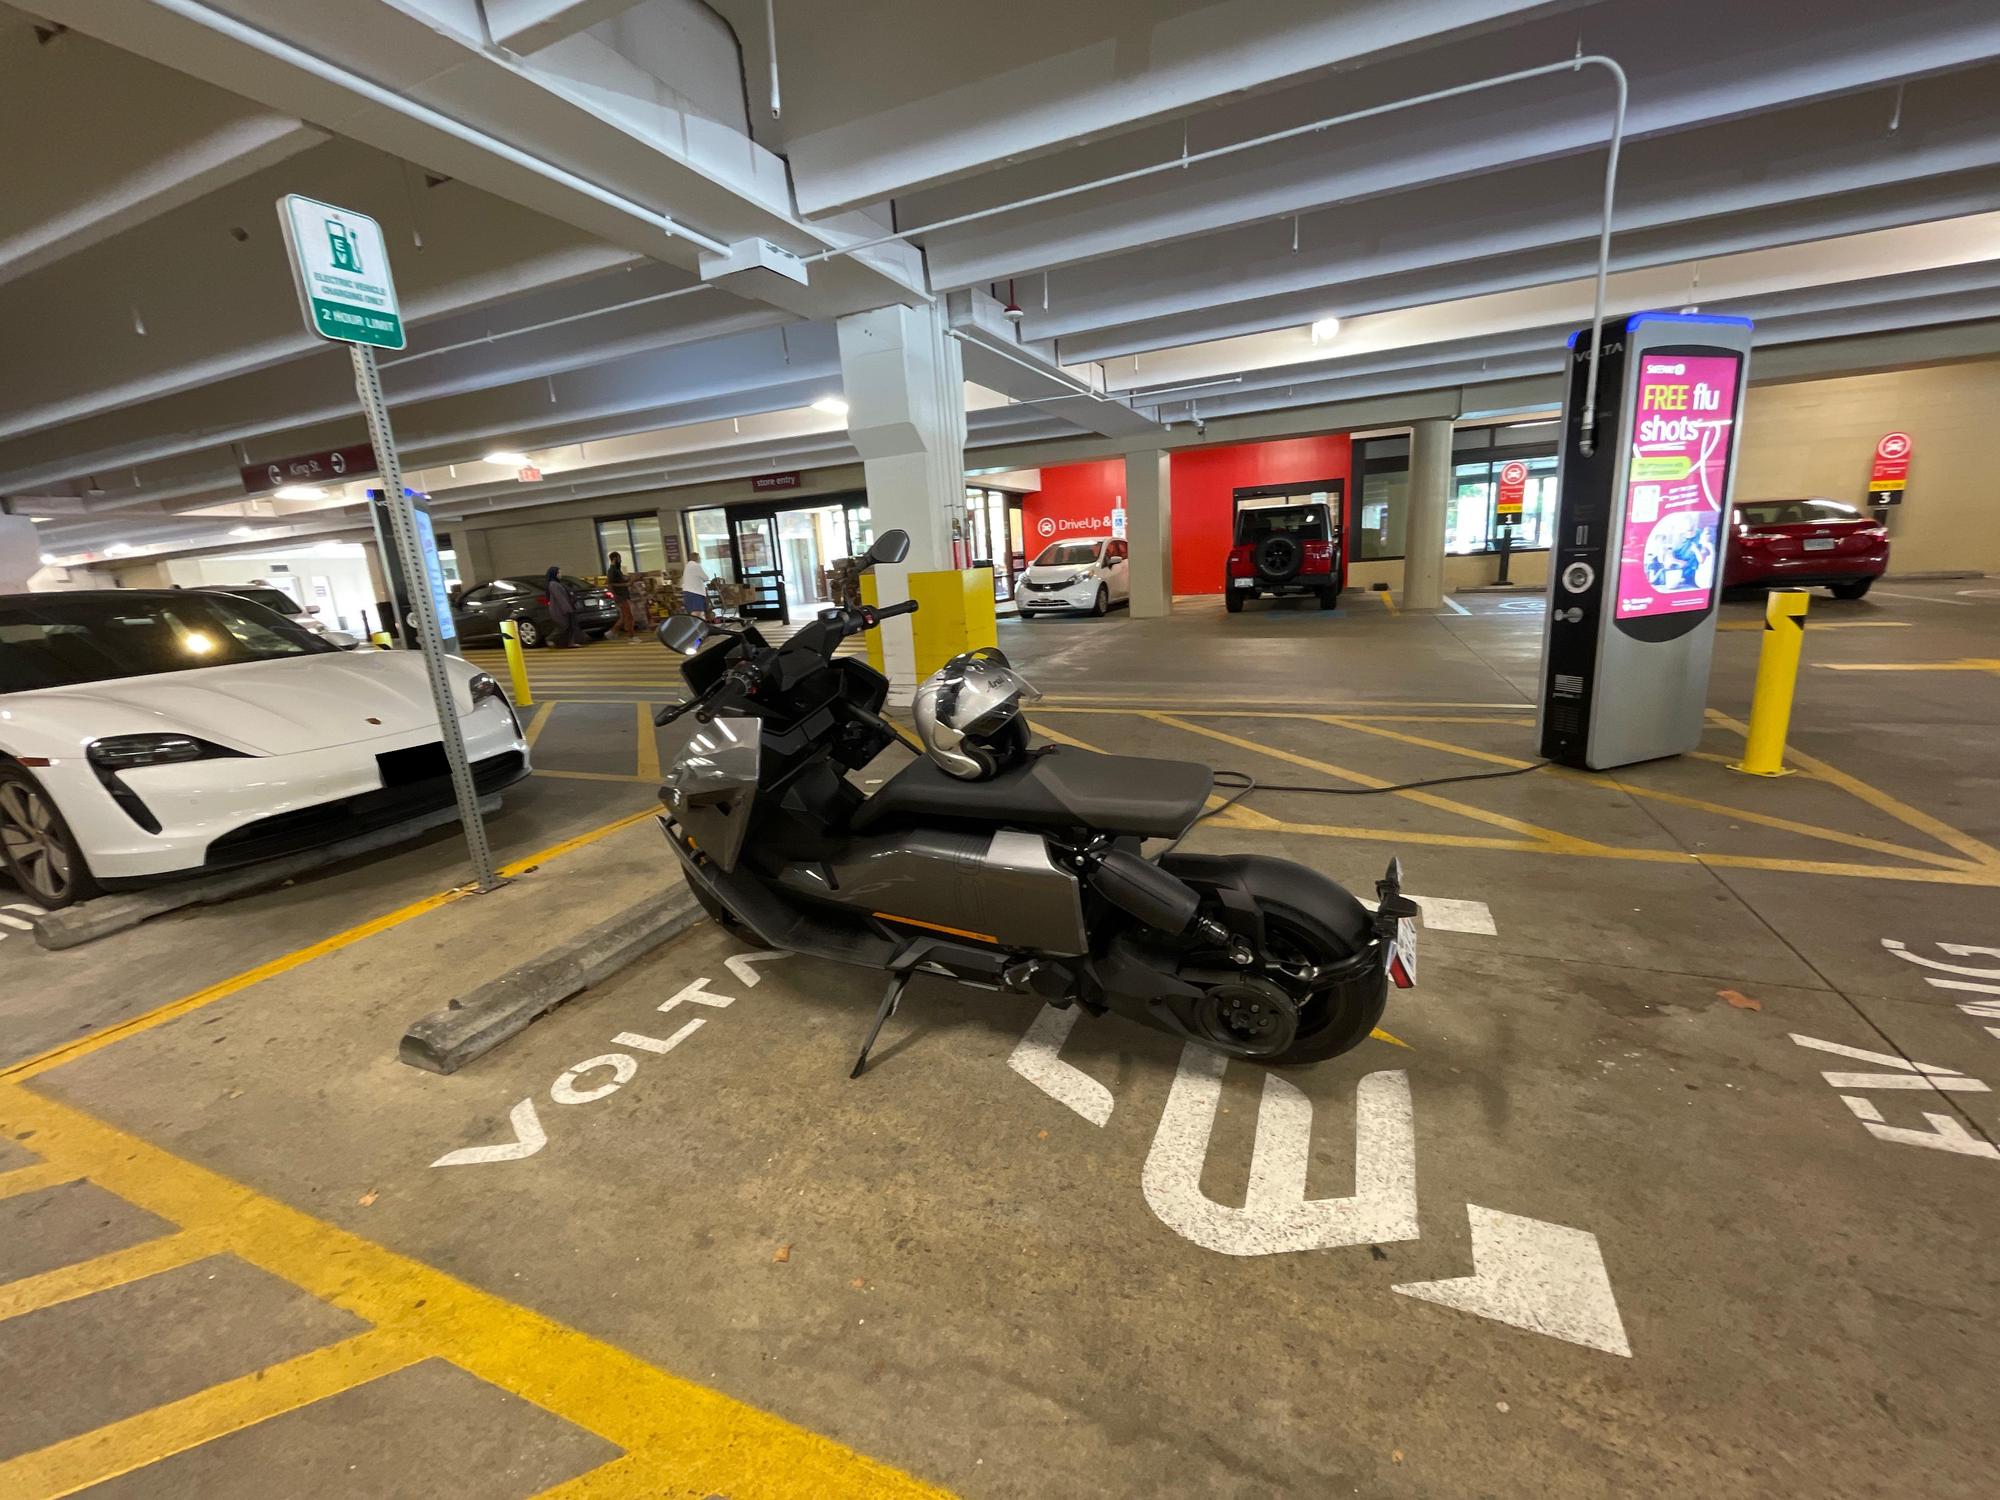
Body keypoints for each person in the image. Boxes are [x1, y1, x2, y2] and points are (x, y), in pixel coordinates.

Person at [544, 565, 582, 648]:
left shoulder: (557, 583)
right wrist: (567, 609)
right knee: (563, 626)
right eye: (559, 573)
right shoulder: (553, 584)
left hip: (563, 608)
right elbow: (560, 598)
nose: (561, 574)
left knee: (570, 625)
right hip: (559, 610)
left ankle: (570, 642)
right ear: (555, 574)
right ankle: (550, 638)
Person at [606, 550, 636, 638]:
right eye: (619, 558)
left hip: (622, 594)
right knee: (628, 615)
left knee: (624, 616)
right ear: (615, 558)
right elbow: (610, 583)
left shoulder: (616, 569)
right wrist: (626, 584)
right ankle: (631, 635)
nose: (620, 560)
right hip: (619, 595)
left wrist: (629, 578)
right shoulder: (612, 570)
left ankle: (612, 632)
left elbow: (620, 578)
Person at [679, 553, 711, 619]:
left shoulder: (688, 566)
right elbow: (706, 578)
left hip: (688, 594)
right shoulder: (696, 566)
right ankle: (701, 628)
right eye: (699, 558)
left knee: (693, 616)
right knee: (698, 615)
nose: (700, 559)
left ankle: (698, 628)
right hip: (695, 594)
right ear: (697, 558)